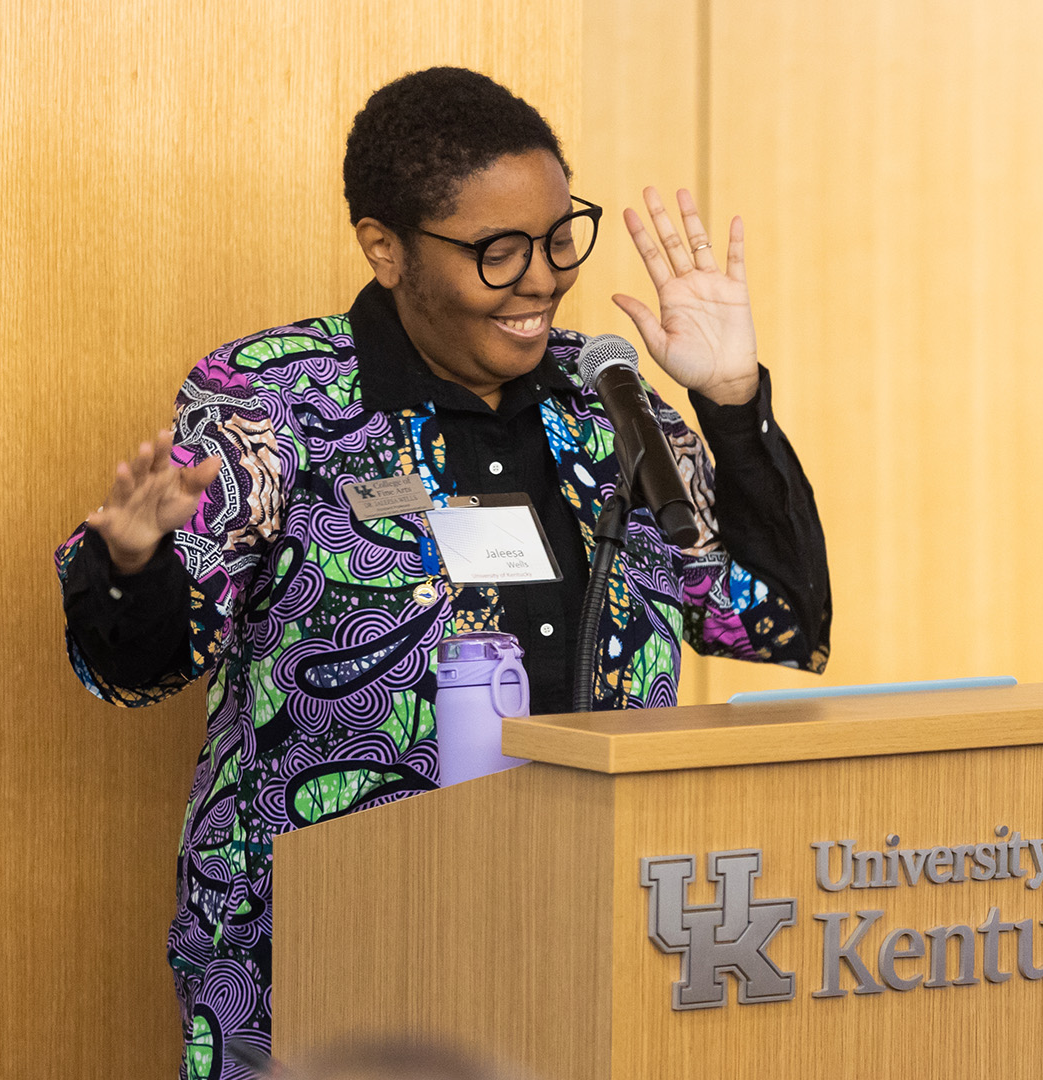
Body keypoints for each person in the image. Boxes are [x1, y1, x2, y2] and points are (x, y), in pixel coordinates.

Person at [55, 67, 829, 1078]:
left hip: (587, 922)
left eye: (559, 237)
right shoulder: (281, 401)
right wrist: (132, 559)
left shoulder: (607, 410)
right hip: (330, 952)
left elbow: (769, 621)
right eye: (497, 251)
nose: (544, 278)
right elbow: (143, 663)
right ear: (387, 249)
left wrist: (730, 401)